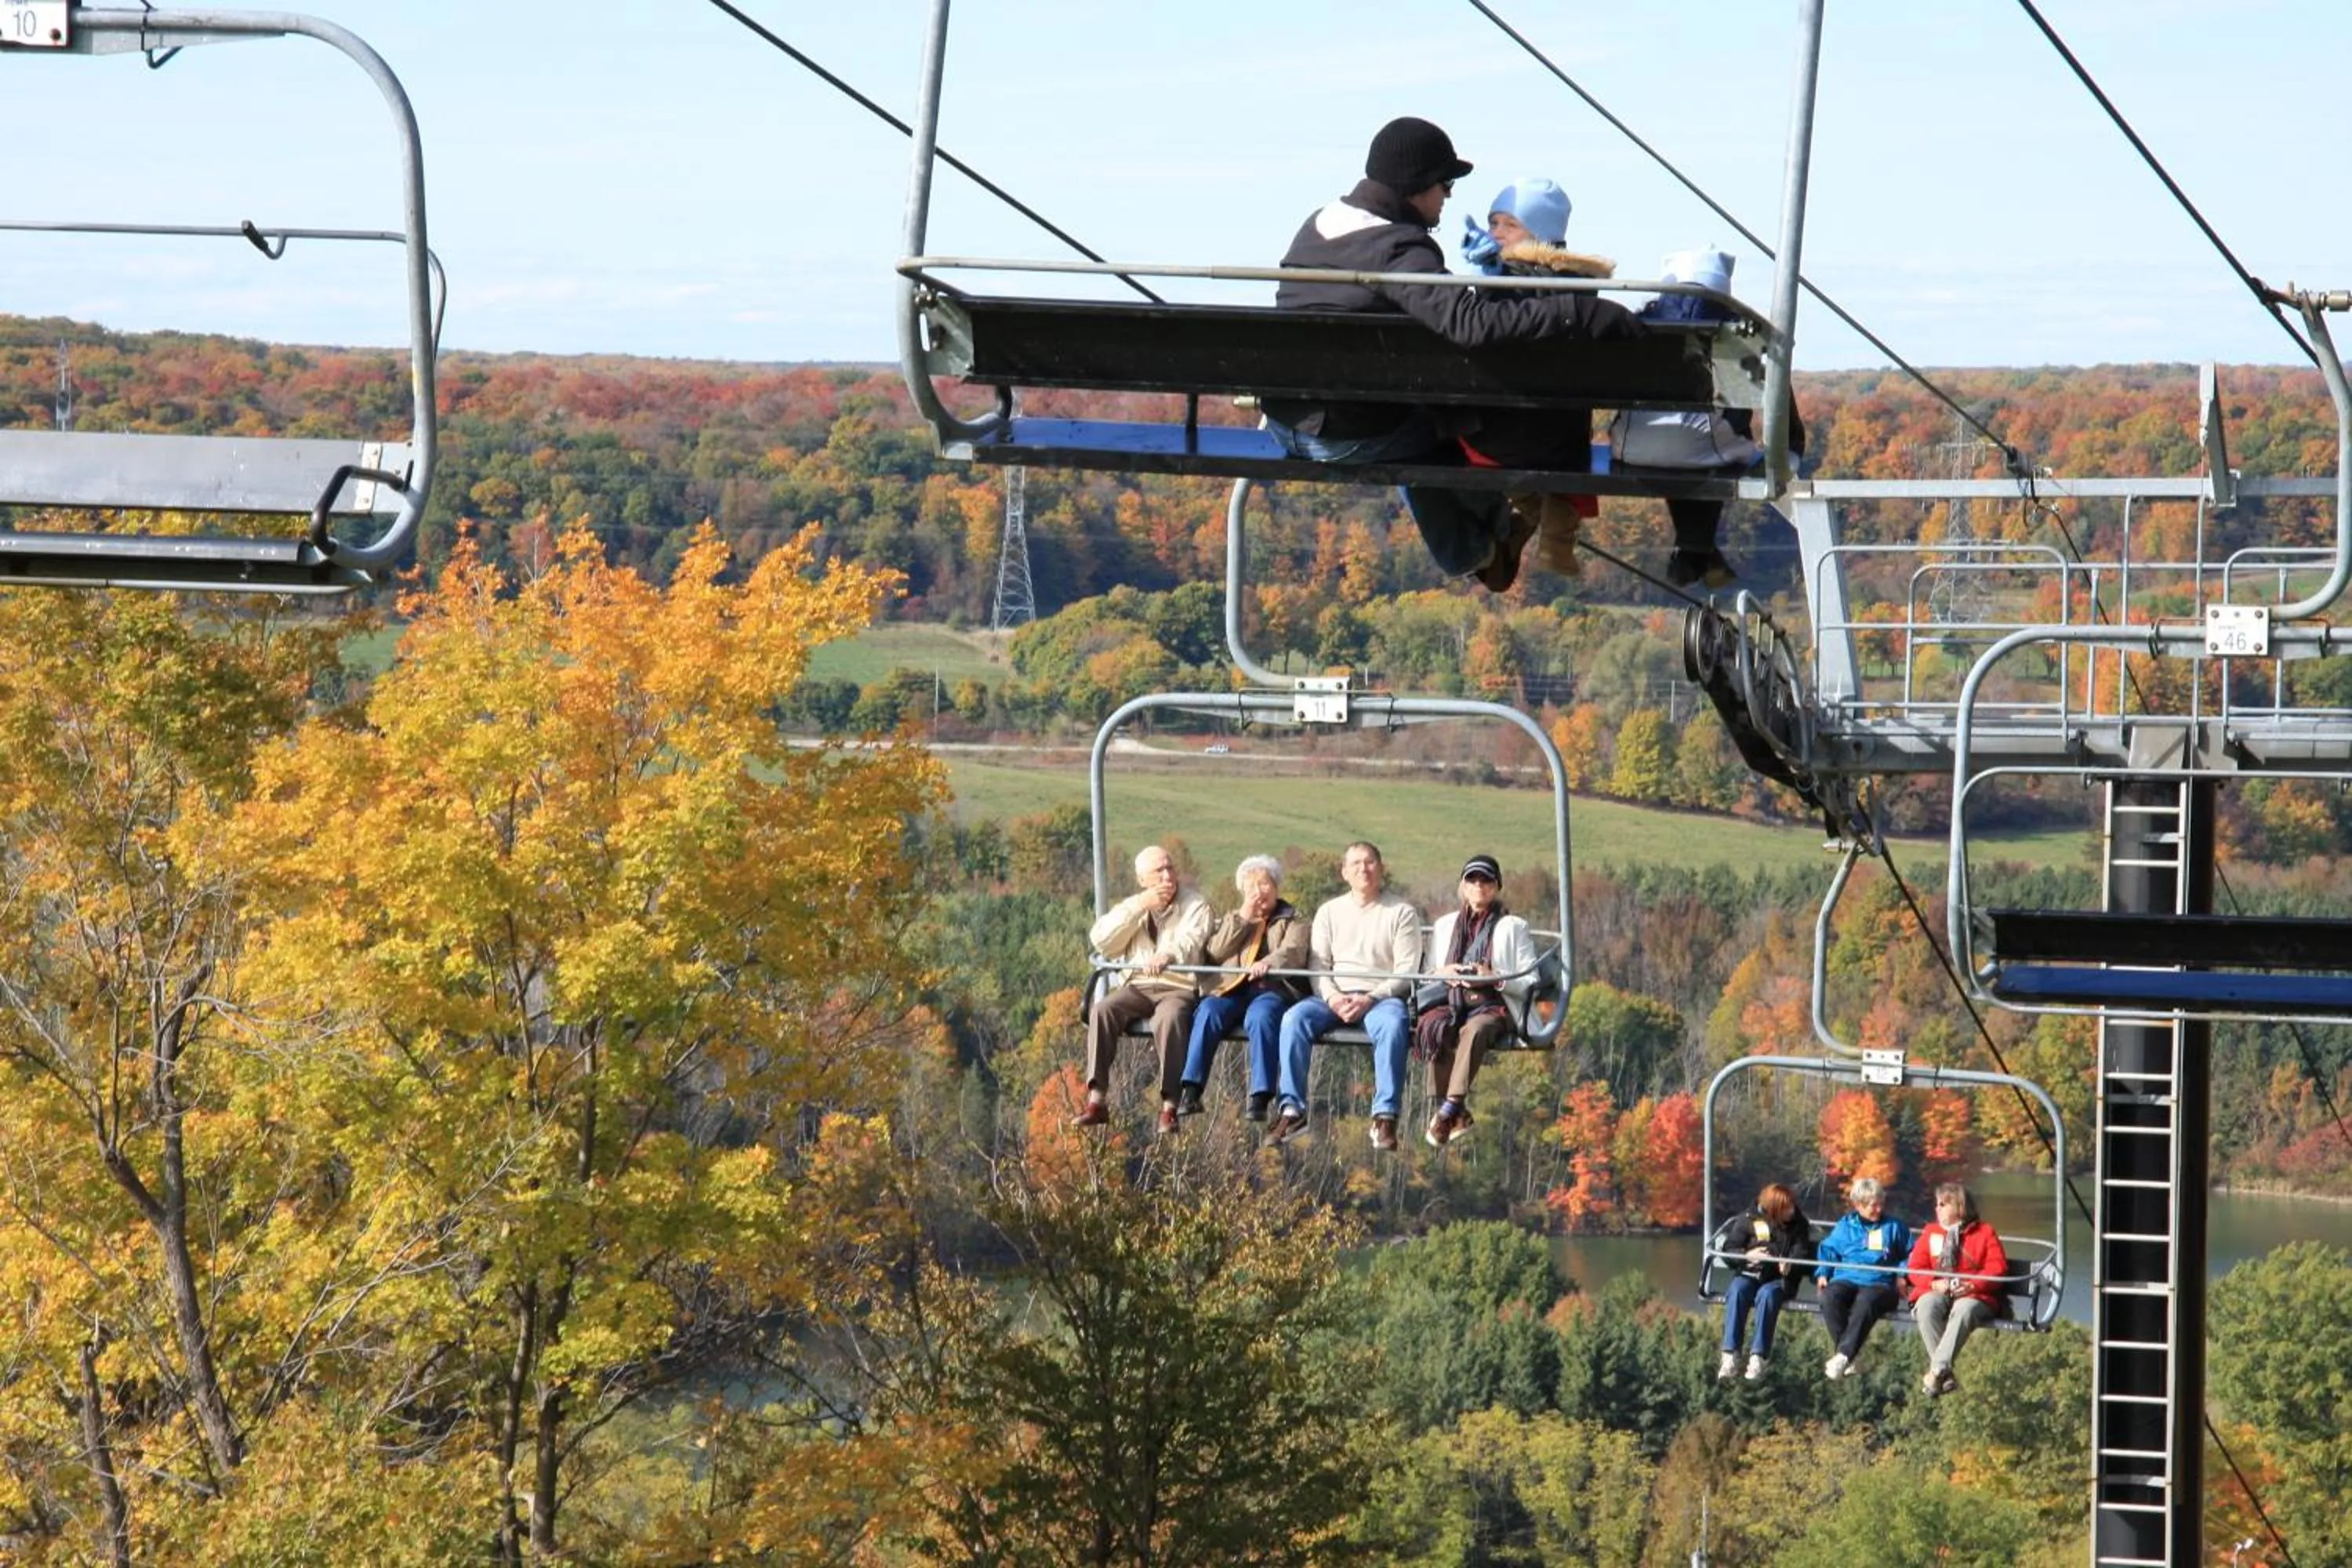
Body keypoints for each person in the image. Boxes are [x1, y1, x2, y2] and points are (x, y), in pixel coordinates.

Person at [1261, 117, 1642, 594]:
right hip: (1343, 435)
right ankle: (1483, 543)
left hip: (1283, 422)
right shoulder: (1399, 246)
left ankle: (1488, 544)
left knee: (1423, 415)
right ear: (1418, 185)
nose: (1446, 197)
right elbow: (1471, 325)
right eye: (1445, 184)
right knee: (1456, 428)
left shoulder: (1317, 224)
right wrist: (1576, 314)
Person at [1461, 180, 1796, 589]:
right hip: (1563, 443)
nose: (1496, 232)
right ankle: (1692, 546)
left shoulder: (1498, 291)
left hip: (1504, 437)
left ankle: (1515, 523)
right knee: (1714, 447)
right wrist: (1788, 452)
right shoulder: (1586, 294)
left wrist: (1486, 280)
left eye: (1508, 224)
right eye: (1493, 222)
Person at [1268, 840, 1423, 1151]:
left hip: (1381, 998)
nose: (1363, 869)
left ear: (1381, 868)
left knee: (1394, 1026)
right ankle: (1292, 1110)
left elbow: (1407, 969)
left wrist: (1372, 997)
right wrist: (1332, 997)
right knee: (1293, 1019)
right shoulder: (1330, 912)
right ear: (1344, 873)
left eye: (1369, 863)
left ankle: (1385, 1115)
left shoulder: (1402, 912)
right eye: (1356, 864)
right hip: (1334, 995)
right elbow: (1318, 963)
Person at [1075, 844, 1212, 1137]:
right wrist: (1139, 905)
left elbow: (1193, 939)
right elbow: (1102, 940)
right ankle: (1097, 1100)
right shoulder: (1134, 906)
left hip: (1177, 986)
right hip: (1137, 985)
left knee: (1169, 1019)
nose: (1167, 876)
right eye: (1158, 871)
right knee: (1103, 1010)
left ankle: (1169, 1106)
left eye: (1170, 868)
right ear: (1142, 880)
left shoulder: (1196, 905)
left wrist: (1169, 955)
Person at [1414, 853, 1537, 1147]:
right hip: (1451, 998)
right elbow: (1430, 972)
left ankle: (1447, 1109)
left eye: (1486, 880)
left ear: (1496, 887)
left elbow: (1530, 978)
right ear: (1463, 886)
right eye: (1472, 880)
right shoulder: (1445, 926)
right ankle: (1457, 1112)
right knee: (1434, 1025)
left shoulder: (1513, 927)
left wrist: (1493, 977)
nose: (1479, 886)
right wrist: (1445, 972)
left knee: (1476, 1030)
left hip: (1493, 1003)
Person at [1175, 855, 1309, 1123]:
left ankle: (1260, 1096)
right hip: (1232, 988)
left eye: (1264, 884)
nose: (1259, 892)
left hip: (1270, 988)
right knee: (1209, 1011)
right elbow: (1215, 951)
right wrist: (1244, 918)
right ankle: (1191, 1089)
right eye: (1251, 887)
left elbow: (1293, 951)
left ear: (1276, 887)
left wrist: (1268, 963)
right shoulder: (1234, 919)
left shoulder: (1294, 920)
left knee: (1261, 1017)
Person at [1905, 1181, 2011, 1396]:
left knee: (1964, 1309)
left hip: (1976, 1295)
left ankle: (1937, 1370)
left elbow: (1997, 1268)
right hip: (1940, 1290)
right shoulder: (1931, 1233)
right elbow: (1915, 1268)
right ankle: (1944, 1375)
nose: (1937, 1208)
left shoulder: (1984, 1233)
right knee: (1926, 1305)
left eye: (1943, 1204)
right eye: (1937, 1204)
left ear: (1959, 1206)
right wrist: (1933, 1284)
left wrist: (1972, 1284)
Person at [1813, 1174, 1912, 1380]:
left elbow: (1911, 1254)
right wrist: (1823, 1273)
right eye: (1872, 1206)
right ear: (1858, 1205)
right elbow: (1829, 1249)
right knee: (1828, 1297)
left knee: (1865, 1301)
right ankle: (1850, 1355)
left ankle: (1844, 1354)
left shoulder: (1894, 1227)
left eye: (1880, 1204)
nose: (1878, 1209)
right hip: (1847, 1277)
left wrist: (1902, 1275)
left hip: (1880, 1282)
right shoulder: (1846, 1226)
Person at [1712, 1181, 1812, 1381]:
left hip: (1779, 1280)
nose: (1792, 1211)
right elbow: (1730, 1249)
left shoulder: (1799, 1225)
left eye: (1792, 1206)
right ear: (1774, 1210)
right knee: (1738, 1290)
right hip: (1751, 1274)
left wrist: (1790, 1263)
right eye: (1786, 1208)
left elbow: (1802, 1254)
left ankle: (1758, 1356)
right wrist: (1746, 1255)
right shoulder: (1748, 1219)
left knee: (1767, 1295)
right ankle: (1730, 1354)